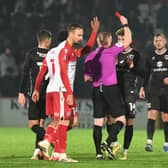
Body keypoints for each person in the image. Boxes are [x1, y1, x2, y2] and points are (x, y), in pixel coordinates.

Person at [32, 17, 100, 162]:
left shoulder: (64, 51)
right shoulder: (64, 50)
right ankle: (50, 145)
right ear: (70, 34)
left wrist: (94, 32)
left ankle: (55, 153)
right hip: (61, 89)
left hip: (53, 89)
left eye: (82, 35)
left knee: (58, 121)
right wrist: (68, 93)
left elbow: (86, 50)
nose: (81, 38)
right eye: (79, 35)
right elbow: (63, 73)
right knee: (64, 121)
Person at [84, 15, 132, 160]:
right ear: (110, 41)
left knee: (98, 122)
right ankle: (108, 142)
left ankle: (98, 153)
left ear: (98, 41)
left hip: (97, 89)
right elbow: (128, 40)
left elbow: (87, 78)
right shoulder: (112, 51)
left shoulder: (90, 56)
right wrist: (125, 24)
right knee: (121, 120)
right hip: (111, 88)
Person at [18, 29, 52, 160]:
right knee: (41, 123)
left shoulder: (31, 53)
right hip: (47, 93)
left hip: (34, 92)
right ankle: (38, 151)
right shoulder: (51, 54)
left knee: (33, 125)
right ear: (48, 40)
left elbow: (26, 73)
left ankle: (47, 139)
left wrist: (21, 91)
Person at [115, 27, 143, 160]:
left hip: (130, 90)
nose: (120, 42)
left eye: (123, 39)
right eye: (119, 39)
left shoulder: (135, 54)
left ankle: (125, 151)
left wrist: (132, 67)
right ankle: (114, 144)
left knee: (129, 120)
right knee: (112, 118)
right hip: (116, 89)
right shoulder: (116, 53)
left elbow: (141, 71)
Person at [139, 33, 168, 152]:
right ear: (154, 42)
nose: (158, 43)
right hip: (154, 90)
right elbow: (146, 74)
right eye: (156, 41)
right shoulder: (150, 56)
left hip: (166, 91)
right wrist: (142, 87)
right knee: (152, 114)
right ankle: (149, 142)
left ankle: (166, 143)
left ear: (165, 41)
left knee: (166, 117)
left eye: (160, 40)